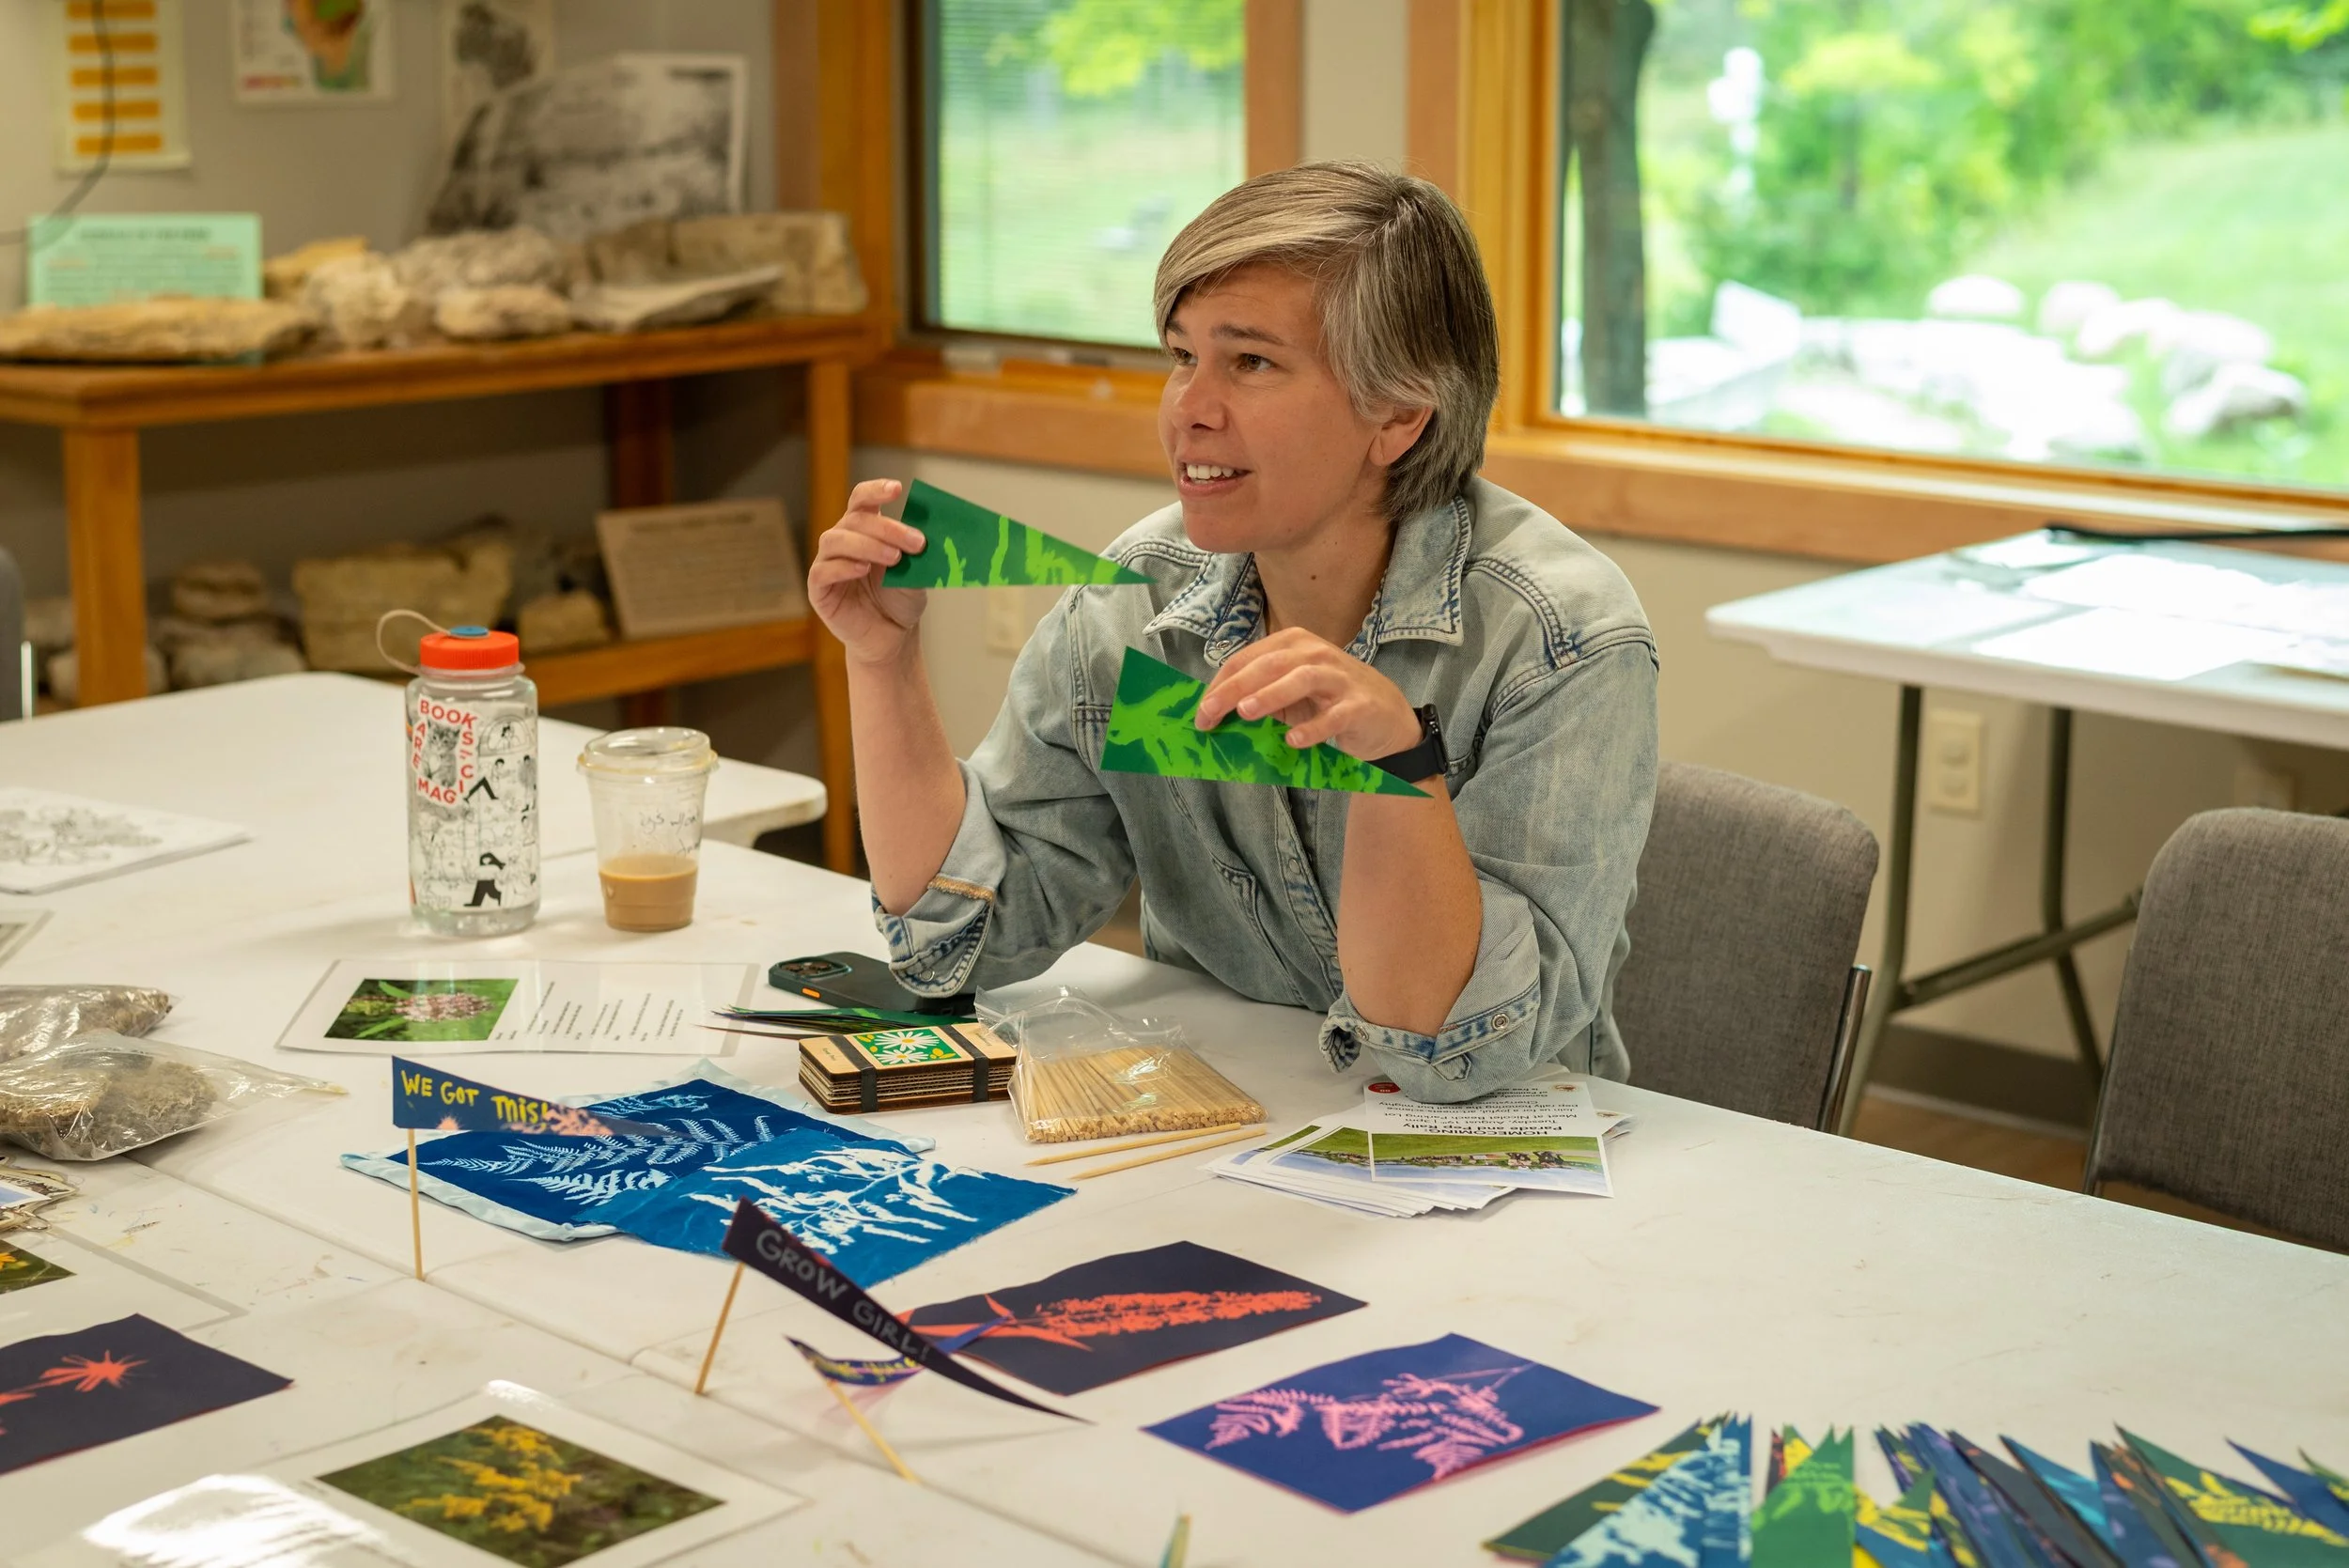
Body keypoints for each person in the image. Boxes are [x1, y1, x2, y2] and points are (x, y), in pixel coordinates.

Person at [807, 162, 1658, 1102]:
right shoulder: (1133, 605)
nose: (1189, 409)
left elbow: (1448, 1051)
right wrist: (881, 660)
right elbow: (961, 939)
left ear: (1398, 416)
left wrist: (1398, 761)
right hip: (1223, 1119)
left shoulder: (1560, 637)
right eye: (1182, 356)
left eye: (1251, 362)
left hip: (1497, 1149)